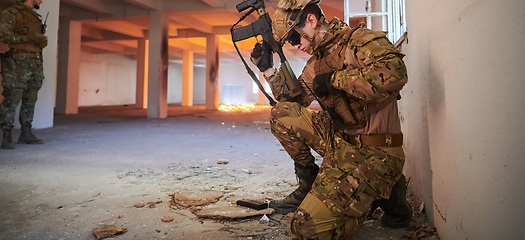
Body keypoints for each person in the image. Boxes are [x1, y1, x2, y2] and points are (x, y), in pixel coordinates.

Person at [250, 0, 412, 238]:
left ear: (311, 21)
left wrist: (335, 80)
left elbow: (395, 73)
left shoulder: (359, 40)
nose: (297, 46)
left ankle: (383, 195)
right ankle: (308, 184)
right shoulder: (316, 63)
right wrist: (268, 71)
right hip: (341, 142)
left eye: (295, 39)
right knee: (281, 114)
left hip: (376, 151)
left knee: (305, 228)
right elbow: (291, 104)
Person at [0, 0, 47, 149]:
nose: (41, 0)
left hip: (35, 61)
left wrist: (40, 41)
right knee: (12, 97)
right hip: (18, 61)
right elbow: (3, 35)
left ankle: (26, 132)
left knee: (31, 97)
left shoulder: (34, 16)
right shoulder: (12, 12)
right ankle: (6, 136)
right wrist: (28, 38)